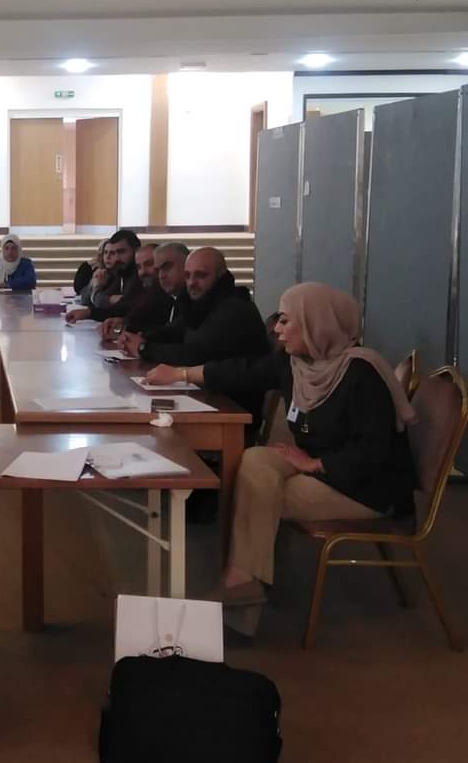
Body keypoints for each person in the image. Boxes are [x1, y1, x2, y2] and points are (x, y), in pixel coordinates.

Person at [146, 283, 417, 614]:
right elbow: (242, 372)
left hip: (365, 487)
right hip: (322, 466)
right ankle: (244, 582)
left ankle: (240, 589)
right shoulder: (297, 363)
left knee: (257, 495)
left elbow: (373, 452)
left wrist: (316, 464)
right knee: (255, 460)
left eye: (286, 321)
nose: (277, 329)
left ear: (316, 323)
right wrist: (180, 374)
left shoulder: (362, 373)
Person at [120, 246, 268, 369]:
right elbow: (173, 331)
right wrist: (138, 338)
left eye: (201, 275)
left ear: (221, 275)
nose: (191, 282)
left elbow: (197, 355)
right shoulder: (199, 302)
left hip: (232, 394)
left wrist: (144, 348)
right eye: (187, 276)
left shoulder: (236, 308)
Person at [68, 229, 143, 321]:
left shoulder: (138, 275)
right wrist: (96, 286)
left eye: (121, 252)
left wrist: (91, 311)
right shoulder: (119, 271)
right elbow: (86, 298)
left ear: (136, 250)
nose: (116, 258)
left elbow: (121, 307)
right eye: (114, 253)